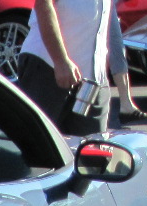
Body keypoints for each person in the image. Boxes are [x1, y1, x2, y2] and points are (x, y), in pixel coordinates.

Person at [14, 0, 112, 135]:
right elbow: (44, 5)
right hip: (48, 66)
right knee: (38, 143)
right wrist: (60, 61)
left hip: (92, 77)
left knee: (92, 149)